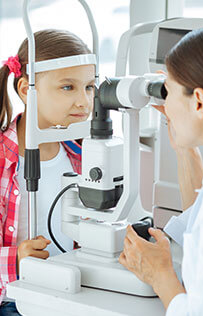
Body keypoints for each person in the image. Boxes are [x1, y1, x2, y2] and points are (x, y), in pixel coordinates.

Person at [119, 19, 203, 315]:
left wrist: (161, 277)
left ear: (199, 101)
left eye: (168, 92)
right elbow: (199, 217)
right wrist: (184, 146)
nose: (165, 104)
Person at [0, 29, 95, 314]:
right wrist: (16, 259)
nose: (84, 101)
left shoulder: (82, 154)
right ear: (26, 90)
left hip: (71, 294)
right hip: (17, 300)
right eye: (68, 87)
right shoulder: (4, 160)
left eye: (89, 87)